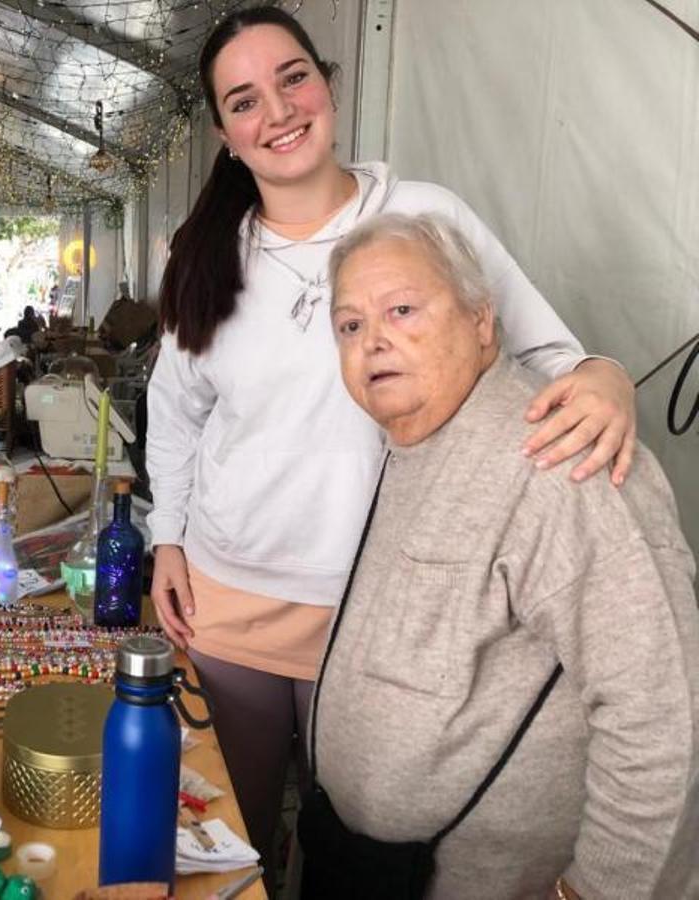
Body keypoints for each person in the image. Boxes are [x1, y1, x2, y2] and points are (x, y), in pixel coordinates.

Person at [145, 6, 638, 881]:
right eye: (245, 101)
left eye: (294, 78)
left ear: (328, 85)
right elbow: (177, 412)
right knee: (228, 845)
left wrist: (605, 375)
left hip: (386, 612)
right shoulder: (207, 254)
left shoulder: (421, 213)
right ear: (225, 134)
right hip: (228, 600)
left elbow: (546, 349)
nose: (279, 112)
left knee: (361, 854)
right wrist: (169, 538)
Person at [297, 211, 699, 899]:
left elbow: (666, 717)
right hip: (363, 864)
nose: (374, 342)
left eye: (402, 310)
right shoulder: (413, 438)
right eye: (350, 325)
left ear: (482, 321)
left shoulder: (560, 458)